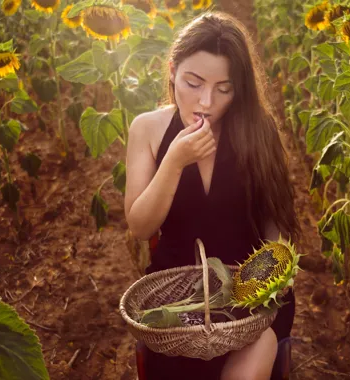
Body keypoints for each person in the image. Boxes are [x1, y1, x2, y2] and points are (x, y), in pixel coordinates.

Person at [124, 11, 301, 380]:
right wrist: (174, 161)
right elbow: (140, 226)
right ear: (172, 70)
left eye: (224, 89)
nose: (206, 101)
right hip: (176, 298)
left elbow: (276, 224)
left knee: (259, 346)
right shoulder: (148, 129)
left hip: (250, 293)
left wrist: (267, 286)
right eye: (193, 82)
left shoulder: (257, 130)